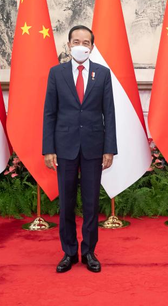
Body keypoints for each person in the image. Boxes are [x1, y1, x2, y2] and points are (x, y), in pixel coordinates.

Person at [43, 25, 117, 273]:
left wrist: (109, 149)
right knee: (66, 203)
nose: (81, 46)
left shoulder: (103, 74)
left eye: (86, 42)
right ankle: (68, 252)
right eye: (76, 42)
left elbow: (110, 114)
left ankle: (89, 252)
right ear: (68, 45)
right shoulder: (57, 73)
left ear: (92, 47)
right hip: (64, 148)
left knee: (91, 203)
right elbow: (50, 113)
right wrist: (48, 148)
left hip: (94, 147)